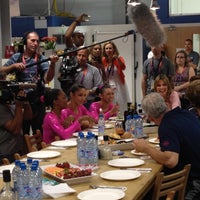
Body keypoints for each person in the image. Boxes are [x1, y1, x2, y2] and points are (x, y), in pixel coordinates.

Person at [133, 92, 200, 200]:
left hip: (193, 182)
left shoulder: (167, 125)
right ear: (165, 104)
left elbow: (171, 161)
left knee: (144, 192)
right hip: (194, 171)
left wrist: (146, 148)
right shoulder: (185, 113)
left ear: (150, 117)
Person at [0, 31, 59, 135]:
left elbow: (47, 78)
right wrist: (13, 66)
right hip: (20, 101)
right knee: (23, 132)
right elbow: (2, 71)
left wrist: (52, 65)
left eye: (37, 41)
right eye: (32, 40)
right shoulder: (16, 57)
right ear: (25, 42)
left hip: (37, 101)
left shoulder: (42, 59)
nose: (35, 43)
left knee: (39, 132)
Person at [0, 89, 33, 164]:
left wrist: (26, 103)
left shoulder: (11, 105)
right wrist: (18, 106)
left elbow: (28, 117)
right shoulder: (1, 108)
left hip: (17, 148)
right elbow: (15, 130)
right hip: (6, 152)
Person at [58, 14, 86, 96]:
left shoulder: (85, 50)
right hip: (69, 83)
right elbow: (67, 36)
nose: (81, 38)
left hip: (82, 82)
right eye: (78, 36)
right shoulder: (71, 48)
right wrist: (77, 21)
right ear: (72, 39)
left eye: (82, 37)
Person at [102, 41, 130, 113]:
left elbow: (123, 67)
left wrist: (117, 59)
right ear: (104, 50)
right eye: (106, 48)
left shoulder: (119, 58)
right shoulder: (103, 60)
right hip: (108, 84)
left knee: (119, 102)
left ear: (114, 49)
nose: (108, 50)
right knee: (109, 102)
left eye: (110, 48)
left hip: (118, 84)